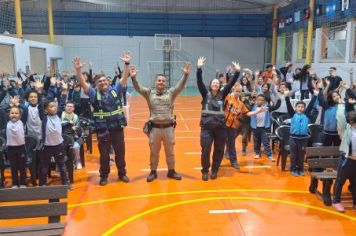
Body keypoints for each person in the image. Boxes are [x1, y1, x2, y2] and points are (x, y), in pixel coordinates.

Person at [73, 51, 130, 186]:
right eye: (99, 81)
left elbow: (125, 77)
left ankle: (122, 173)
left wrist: (127, 64)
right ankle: (104, 176)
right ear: (96, 84)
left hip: (117, 127)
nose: (102, 82)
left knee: (120, 153)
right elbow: (82, 82)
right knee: (104, 155)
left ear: (108, 81)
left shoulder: (116, 89)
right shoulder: (93, 94)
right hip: (103, 128)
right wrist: (78, 70)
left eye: (104, 80)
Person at [130, 62, 192, 182]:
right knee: (154, 152)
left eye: (163, 81)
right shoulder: (149, 93)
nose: (161, 82)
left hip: (169, 128)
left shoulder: (171, 93)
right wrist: (133, 78)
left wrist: (185, 75)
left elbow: (180, 86)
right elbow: (138, 88)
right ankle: (153, 172)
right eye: (159, 80)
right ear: (155, 82)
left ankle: (171, 171)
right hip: (155, 129)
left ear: (166, 83)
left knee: (170, 152)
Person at [197, 56, 240, 181]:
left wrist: (237, 72)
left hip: (221, 128)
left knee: (219, 150)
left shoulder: (223, 95)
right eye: (213, 83)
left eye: (217, 83)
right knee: (205, 151)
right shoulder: (205, 94)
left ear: (219, 85)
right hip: (206, 128)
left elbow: (231, 83)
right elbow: (199, 82)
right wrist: (199, 69)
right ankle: (205, 171)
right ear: (210, 85)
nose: (215, 84)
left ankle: (215, 169)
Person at [39, 82, 71, 189]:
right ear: (46, 110)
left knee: (61, 165)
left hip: (58, 145)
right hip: (46, 146)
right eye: (51, 106)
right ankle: (43, 184)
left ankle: (66, 183)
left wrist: (65, 91)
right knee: (44, 166)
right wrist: (39, 92)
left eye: (54, 106)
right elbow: (40, 105)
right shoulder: (44, 118)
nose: (54, 108)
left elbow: (62, 103)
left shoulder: (57, 115)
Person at [285, 89, 317, 176]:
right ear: (295, 108)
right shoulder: (293, 114)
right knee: (293, 155)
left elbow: (310, 106)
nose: (300, 108)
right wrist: (286, 97)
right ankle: (293, 169)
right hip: (293, 139)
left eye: (302, 107)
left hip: (303, 139)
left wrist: (315, 96)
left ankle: (300, 169)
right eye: (298, 107)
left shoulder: (306, 114)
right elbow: (288, 106)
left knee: (301, 155)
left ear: (304, 108)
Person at [332, 104, 356, 213]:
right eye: (353, 122)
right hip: (347, 160)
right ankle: (336, 201)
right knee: (340, 181)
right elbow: (341, 118)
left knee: (355, 182)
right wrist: (341, 105)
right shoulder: (345, 129)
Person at [247, 94, 280, 161]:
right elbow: (246, 107)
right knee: (256, 141)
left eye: (262, 100)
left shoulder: (266, 107)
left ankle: (269, 155)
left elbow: (276, 107)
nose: (261, 101)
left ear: (264, 101)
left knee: (266, 141)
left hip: (264, 128)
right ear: (256, 100)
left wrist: (280, 98)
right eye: (259, 100)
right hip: (255, 127)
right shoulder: (252, 107)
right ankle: (257, 153)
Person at [224, 84, 249, 169]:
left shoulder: (240, 104)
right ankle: (218, 160)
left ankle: (233, 161)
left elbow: (247, 113)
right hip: (223, 124)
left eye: (239, 91)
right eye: (236, 91)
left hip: (233, 125)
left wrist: (258, 111)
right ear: (233, 90)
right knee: (220, 143)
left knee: (232, 143)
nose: (238, 93)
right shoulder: (227, 97)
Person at [6, 106, 27, 188]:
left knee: (22, 167)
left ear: (20, 115)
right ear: (9, 115)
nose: (14, 115)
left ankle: (23, 183)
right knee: (13, 167)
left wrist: (19, 104)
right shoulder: (7, 123)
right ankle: (15, 183)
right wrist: (11, 104)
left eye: (16, 113)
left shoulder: (22, 122)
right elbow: (2, 109)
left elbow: (25, 110)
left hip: (21, 148)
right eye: (12, 113)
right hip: (11, 149)